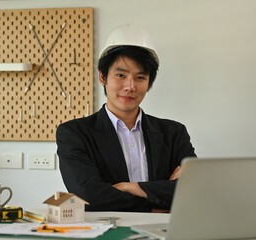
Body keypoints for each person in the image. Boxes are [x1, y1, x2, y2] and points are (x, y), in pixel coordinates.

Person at [56, 23, 196, 212]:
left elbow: (192, 188)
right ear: (102, 77)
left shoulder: (173, 133)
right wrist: (156, 204)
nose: (130, 86)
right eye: (121, 75)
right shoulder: (74, 133)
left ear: (149, 84)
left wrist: (131, 187)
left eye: (140, 78)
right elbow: (88, 194)